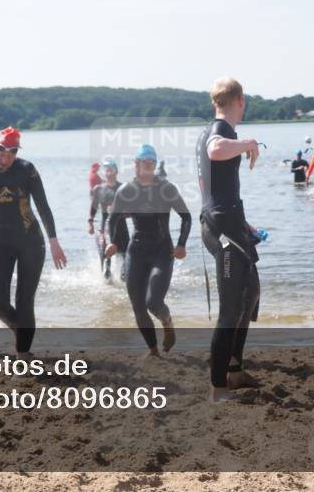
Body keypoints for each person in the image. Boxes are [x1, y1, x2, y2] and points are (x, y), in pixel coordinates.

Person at [0, 127, 66, 356]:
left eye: (12, 152)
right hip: (0, 242)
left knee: (24, 301)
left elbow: (43, 207)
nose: (6, 157)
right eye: (2, 150)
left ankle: (22, 354)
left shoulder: (27, 170)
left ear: (17, 151)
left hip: (31, 243)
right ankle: (21, 330)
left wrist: (54, 241)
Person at [196, 77, 262, 402]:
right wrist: (248, 143)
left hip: (227, 223)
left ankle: (235, 370)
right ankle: (217, 388)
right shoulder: (219, 133)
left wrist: (243, 223)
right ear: (240, 101)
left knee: (250, 292)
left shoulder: (215, 130)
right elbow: (216, 151)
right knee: (229, 309)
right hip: (221, 231)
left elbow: (207, 188)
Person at [106, 144, 191, 355]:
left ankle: (168, 322)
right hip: (137, 250)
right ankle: (153, 350)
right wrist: (113, 241)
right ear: (134, 165)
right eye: (140, 162)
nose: (144, 166)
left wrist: (181, 244)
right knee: (137, 305)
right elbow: (113, 219)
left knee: (153, 302)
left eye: (149, 163)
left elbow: (186, 217)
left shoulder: (166, 188)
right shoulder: (126, 190)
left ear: (153, 164)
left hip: (162, 250)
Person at [88, 157, 122, 280]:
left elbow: (131, 209)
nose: (108, 173)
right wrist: (90, 222)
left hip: (121, 227)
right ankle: (106, 279)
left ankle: (124, 278)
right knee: (105, 257)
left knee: (125, 257)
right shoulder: (99, 189)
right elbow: (93, 207)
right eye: (106, 170)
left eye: (111, 170)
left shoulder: (122, 188)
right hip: (104, 228)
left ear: (116, 172)